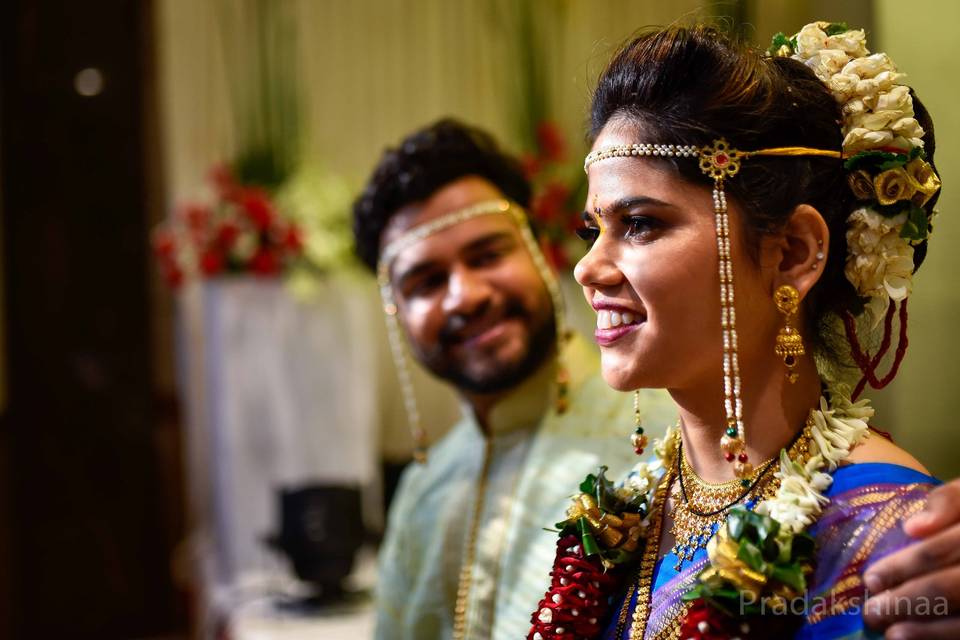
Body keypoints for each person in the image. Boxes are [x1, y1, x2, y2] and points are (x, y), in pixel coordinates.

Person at [527, 22, 959, 640]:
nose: (588, 267)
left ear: (790, 253)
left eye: (641, 224)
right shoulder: (630, 520)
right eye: (591, 229)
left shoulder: (897, 542)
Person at [353, 119, 678, 640]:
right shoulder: (423, 489)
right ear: (397, 315)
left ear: (540, 253)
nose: (466, 296)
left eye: (487, 256)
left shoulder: (666, 435)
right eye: (427, 281)